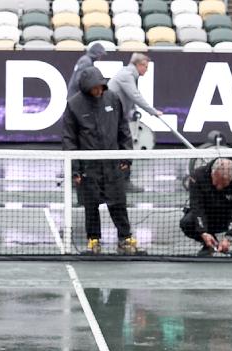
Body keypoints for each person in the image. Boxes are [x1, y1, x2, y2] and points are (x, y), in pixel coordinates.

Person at [63, 66, 143, 255]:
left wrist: (126, 156)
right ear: (86, 87)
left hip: (112, 164)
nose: (99, 90)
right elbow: (69, 139)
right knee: (91, 206)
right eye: (95, 87)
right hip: (88, 167)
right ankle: (94, 241)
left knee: (118, 203)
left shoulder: (112, 99)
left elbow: (123, 128)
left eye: (101, 86)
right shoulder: (74, 105)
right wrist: (75, 170)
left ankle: (125, 239)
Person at [179, 158, 232, 257]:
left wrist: (229, 236)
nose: (219, 187)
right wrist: (203, 232)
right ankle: (209, 244)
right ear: (212, 173)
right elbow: (197, 207)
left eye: (224, 184)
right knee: (186, 222)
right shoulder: (197, 176)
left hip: (228, 217)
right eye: (216, 182)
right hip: (208, 218)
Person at [107, 53, 162, 192]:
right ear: (138, 65)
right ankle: (123, 182)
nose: (147, 69)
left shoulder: (129, 74)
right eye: (145, 66)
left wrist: (133, 112)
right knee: (125, 146)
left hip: (117, 116)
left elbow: (128, 97)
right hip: (113, 116)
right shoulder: (127, 75)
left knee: (123, 146)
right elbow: (135, 95)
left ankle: (121, 180)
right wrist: (153, 111)